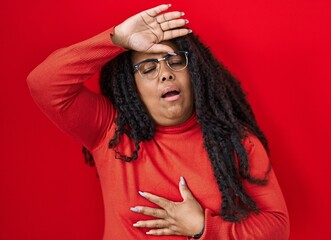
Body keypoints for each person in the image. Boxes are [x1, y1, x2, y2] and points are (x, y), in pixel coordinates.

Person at [27, 4, 289, 240]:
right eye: (149, 68)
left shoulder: (236, 140)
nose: (165, 73)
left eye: (175, 62)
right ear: (132, 86)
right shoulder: (111, 130)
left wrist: (202, 228)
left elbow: (277, 227)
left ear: (196, 74)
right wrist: (116, 39)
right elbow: (44, 83)